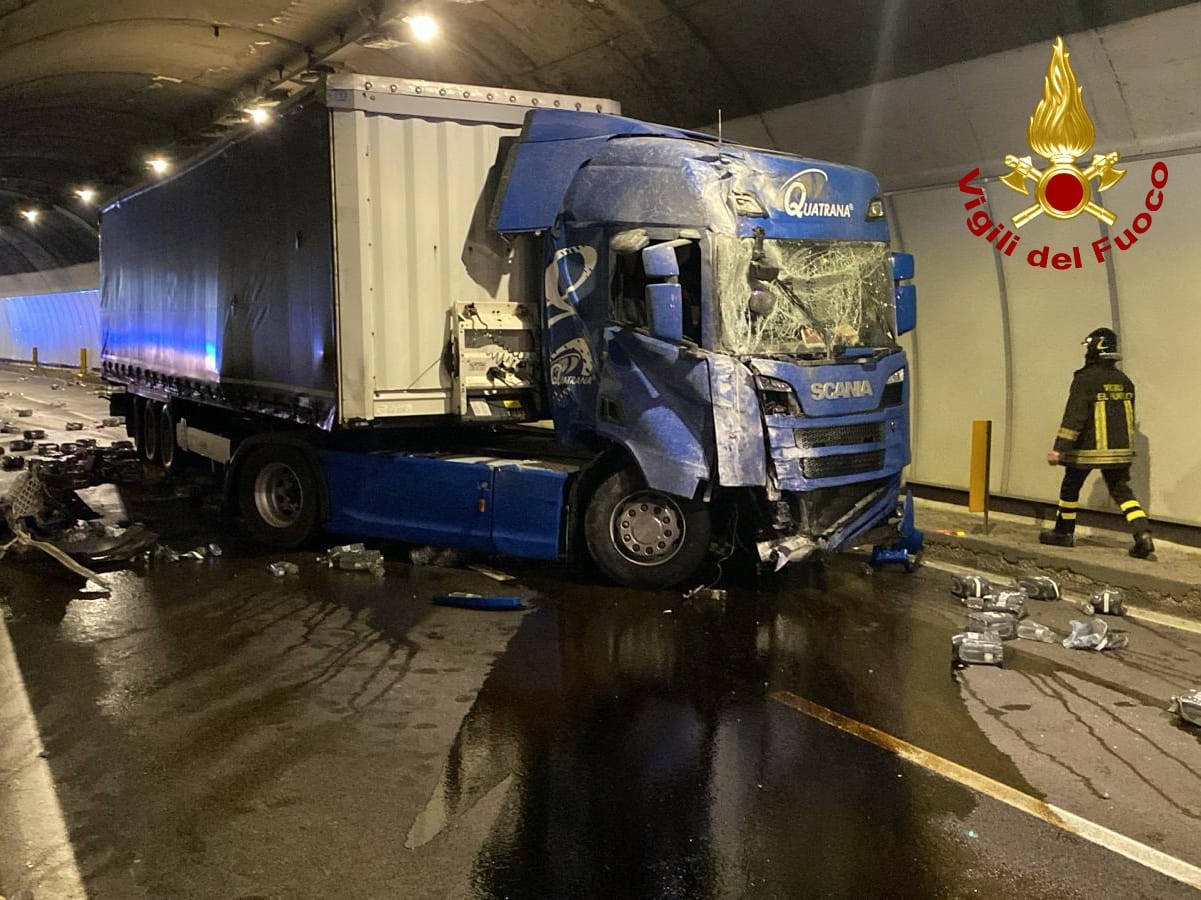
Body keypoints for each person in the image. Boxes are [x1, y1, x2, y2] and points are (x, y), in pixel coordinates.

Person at [1041, 326, 1155, 559]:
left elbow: (1074, 417)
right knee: (1122, 492)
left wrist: (1059, 448)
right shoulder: (1125, 381)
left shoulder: (1085, 380)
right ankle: (1142, 533)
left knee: (1070, 488)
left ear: (1095, 348)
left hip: (1087, 449)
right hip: (1119, 452)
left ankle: (1063, 532)